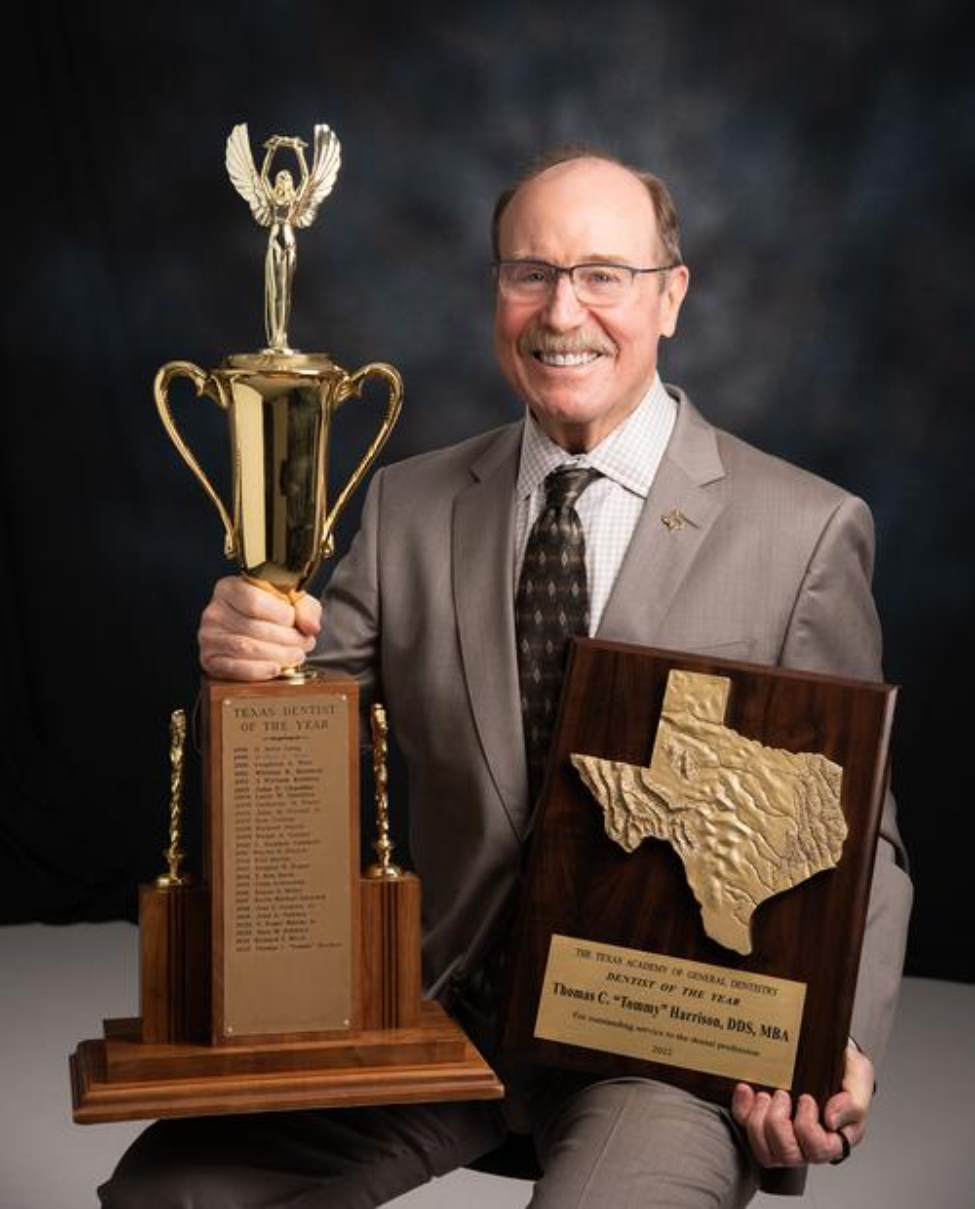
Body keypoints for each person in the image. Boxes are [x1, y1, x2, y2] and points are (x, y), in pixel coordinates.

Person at [101, 148, 912, 1207]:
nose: (561, 309)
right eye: (530, 273)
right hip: (430, 1012)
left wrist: (835, 1042)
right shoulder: (405, 508)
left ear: (671, 296)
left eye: (602, 274)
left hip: (661, 1046)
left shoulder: (804, 531)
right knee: (167, 1199)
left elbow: (862, 837)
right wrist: (248, 677)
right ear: (498, 293)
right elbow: (299, 780)